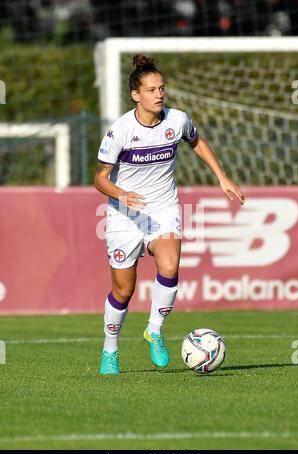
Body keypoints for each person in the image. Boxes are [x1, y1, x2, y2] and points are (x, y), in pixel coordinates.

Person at [95, 54, 244, 374]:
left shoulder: (177, 120)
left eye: (161, 88)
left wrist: (221, 175)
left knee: (170, 264)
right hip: (124, 214)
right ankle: (110, 349)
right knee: (124, 290)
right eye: (151, 90)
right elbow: (100, 178)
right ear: (136, 95)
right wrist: (121, 195)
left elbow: (197, 141)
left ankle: (154, 330)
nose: (159, 94)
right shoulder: (120, 130)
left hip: (163, 207)